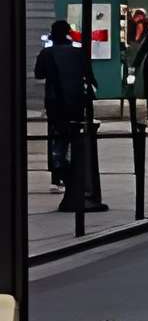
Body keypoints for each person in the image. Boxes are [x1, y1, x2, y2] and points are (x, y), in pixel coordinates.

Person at [35, 18, 86, 193]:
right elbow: (89, 75)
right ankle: (73, 172)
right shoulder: (78, 52)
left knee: (56, 137)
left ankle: (57, 177)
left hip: (55, 101)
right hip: (76, 100)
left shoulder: (47, 53)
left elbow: (38, 74)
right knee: (74, 137)